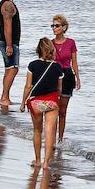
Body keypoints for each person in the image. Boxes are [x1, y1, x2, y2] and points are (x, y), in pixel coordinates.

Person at [20, 38, 62, 168]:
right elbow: (59, 88)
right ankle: (46, 163)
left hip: (36, 103)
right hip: (52, 103)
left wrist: (22, 102)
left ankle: (37, 161)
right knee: (50, 132)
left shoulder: (32, 65)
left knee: (37, 131)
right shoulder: (57, 66)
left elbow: (28, 86)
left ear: (38, 50)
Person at [50, 15, 80, 144]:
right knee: (53, 110)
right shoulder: (50, 43)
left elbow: (74, 62)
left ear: (64, 27)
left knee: (62, 111)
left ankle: (60, 139)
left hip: (68, 76)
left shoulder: (71, 42)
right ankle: (50, 137)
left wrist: (78, 78)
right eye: (53, 25)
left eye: (57, 26)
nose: (54, 28)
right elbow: (47, 61)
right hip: (54, 76)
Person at [0, 0, 21, 109]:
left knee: (9, 69)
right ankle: (4, 97)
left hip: (6, 41)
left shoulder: (5, 3)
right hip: (8, 42)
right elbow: (7, 26)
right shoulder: (8, 5)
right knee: (13, 69)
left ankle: (5, 96)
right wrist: (9, 45)